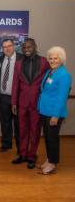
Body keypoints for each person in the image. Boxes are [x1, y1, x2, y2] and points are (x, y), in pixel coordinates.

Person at [11, 38, 49, 169]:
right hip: (22, 103)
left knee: (35, 131)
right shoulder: (18, 64)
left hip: (37, 103)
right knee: (22, 130)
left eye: (29, 47)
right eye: (24, 47)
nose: (26, 49)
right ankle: (22, 154)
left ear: (35, 47)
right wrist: (14, 103)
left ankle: (32, 156)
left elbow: (51, 78)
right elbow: (15, 84)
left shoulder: (44, 62)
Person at [37, 46, 72, 175]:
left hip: (54, 113)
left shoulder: (64, 75)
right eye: (50, 58)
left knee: (53, 138)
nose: (52, 61)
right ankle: (49, 159)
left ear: (61, 59)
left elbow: (62, 97)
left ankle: (53, 163)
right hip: (45, 110)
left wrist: (55, 115)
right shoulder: (50, 72)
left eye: (55, 58)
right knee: (47, 137)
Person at [0, 39, 22, 153]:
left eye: (9, 46)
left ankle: (21, 147)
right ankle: (6, 144)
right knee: (5, 122)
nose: (7, 48)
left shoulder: (22, 59)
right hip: (3, 97)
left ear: (14, 46)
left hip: (18, 98)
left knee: (19, 124)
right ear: (2, 49)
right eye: (4, 47)